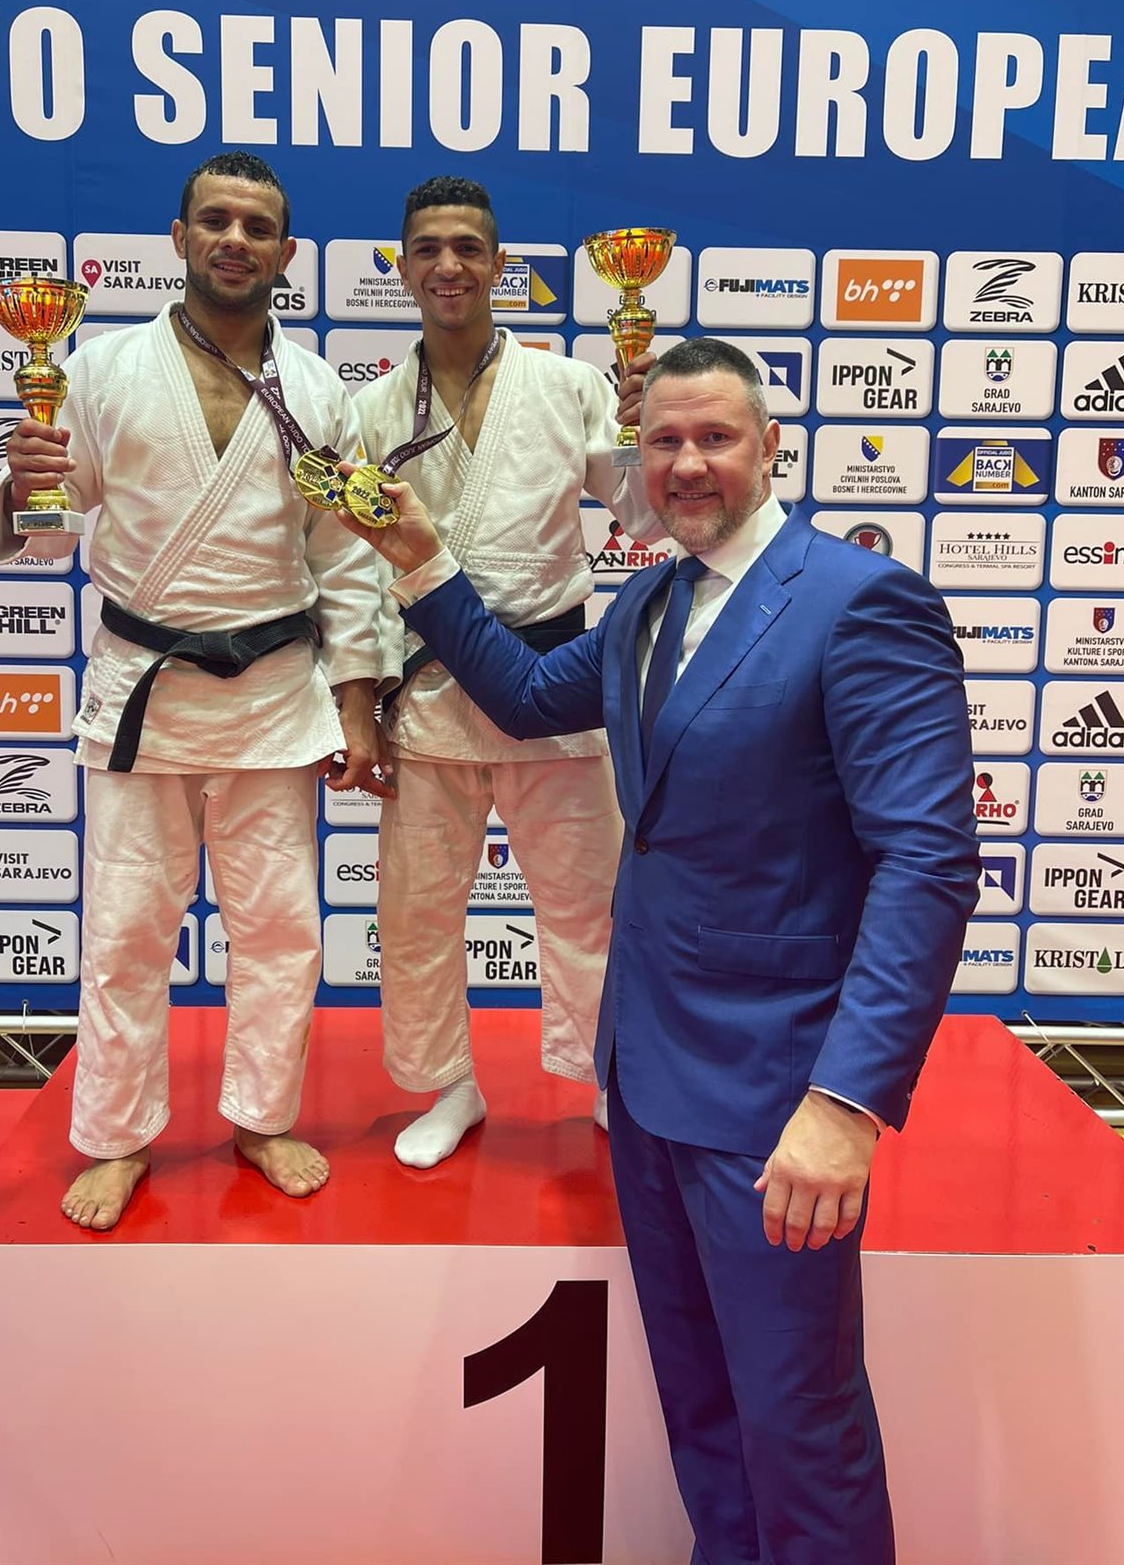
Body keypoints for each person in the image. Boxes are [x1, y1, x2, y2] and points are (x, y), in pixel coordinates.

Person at [340, 336, 979, 1562]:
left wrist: (846, 1102)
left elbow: (928, 864)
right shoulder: (647, 600)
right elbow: (528, 699)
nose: (687, 464)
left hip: (776, 1099)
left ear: (772, 449)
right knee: (705, 1407)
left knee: (799, 1420)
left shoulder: (860, 602)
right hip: (645, 1083)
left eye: (716, 438)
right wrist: (420, 558)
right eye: (664, 441)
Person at [0, 151, 387, 1231]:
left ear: (287, 253)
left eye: (257, 226)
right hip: (144, 693)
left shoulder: (318, 390)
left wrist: (356, 700)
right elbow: (43, 534)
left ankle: (261, 1117)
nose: (234, 240)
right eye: (216, 220)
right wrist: (23, 489)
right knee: (125, 932)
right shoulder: (99, 369)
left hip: (274, 694)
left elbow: (345, 559)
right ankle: (117, 1137)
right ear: (179, 235)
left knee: (282, 929)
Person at [353, 175, 660, 1169]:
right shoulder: (371, 409)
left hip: (553, 680)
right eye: (428, 248)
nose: (448, 265)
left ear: (498, 265)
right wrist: (360, 702)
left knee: (588, 901)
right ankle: (450, 1086)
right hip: (429, 687)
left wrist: (644, 430)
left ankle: (610, 1079)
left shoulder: (570, 386)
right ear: (403, 267)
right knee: (418, 910)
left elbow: (643, 517)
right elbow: (353, 569)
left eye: (468, 248)